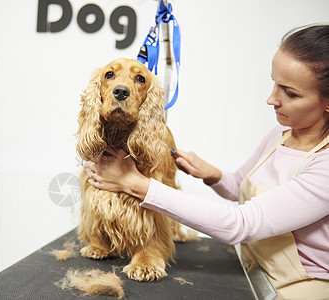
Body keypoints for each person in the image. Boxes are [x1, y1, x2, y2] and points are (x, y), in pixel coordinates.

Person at [84, 24, 329, 299]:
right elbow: (240, 188)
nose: (271, 99)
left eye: (290, 93)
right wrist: (210, 173)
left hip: (297, 291)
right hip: (252, 273)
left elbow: (242, 224)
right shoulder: (282, 134)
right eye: (273, 83)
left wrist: (134, 183)